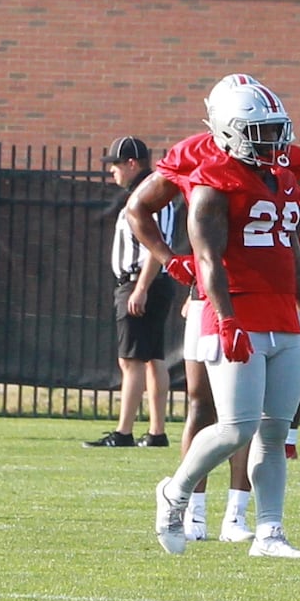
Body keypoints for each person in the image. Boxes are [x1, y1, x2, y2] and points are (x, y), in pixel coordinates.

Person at [130, 74, 300, 541]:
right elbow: (201, 250)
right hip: (227, 303)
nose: (275, 142)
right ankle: (179, 496)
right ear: (228, 129)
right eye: (262, 131)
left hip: (281, 310)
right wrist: (179, 270)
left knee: (274, 431)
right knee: (230, 422)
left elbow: (292, 249)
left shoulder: (286, 174)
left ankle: (265, 531)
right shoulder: (207, 171)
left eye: (277, 130)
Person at [84, 136, 177, 449]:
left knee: (132, 360)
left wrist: (140, 288)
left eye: (115, 165)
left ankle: (124, 432)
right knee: (152, 357)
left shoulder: (150, 193)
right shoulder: (149, 192)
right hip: (147, 282)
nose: (113, 172)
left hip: (142, 281)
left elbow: (156, 244)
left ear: (131, 163)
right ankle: (156, 432)